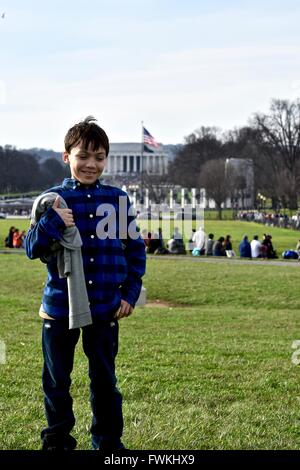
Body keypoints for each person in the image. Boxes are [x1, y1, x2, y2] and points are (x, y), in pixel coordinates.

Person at [25, 116, 146, 451]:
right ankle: (58, 441)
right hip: (59, 307)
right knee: (57, 381)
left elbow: (135, 250)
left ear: (106, 160)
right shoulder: (52, 199)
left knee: (105, 381)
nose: (91, 164)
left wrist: (131, 294)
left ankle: (108, 444)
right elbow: (30, 247)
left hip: (105, 304)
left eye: (99, 157)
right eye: (83, 156)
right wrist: (52, 221)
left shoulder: (118, 200)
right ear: (67, 156)